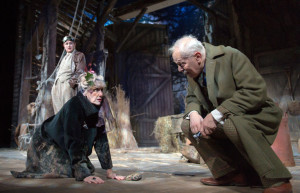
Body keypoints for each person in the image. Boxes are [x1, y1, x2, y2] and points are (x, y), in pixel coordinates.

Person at [169, 35, 292, 193]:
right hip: (228, 118)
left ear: (197, 56)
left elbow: (254, 91)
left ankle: (278, 180)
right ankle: (231, 173)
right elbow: (192, 96)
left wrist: (216, 114)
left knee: (231, 124)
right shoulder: (194, 71)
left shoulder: (230, 56)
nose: (180, 69)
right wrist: (193, 113)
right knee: (188, 125)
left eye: (182, 64)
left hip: (256, 113)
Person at [11, 72, 125, 183]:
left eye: (101, 90)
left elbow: (101, 139)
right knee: (75, 171)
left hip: (63, 143)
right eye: (95, 90)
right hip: (46, 142)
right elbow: (73, 139)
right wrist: (83, 175)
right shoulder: (74, 106)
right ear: (85, 91)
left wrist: (109, 171)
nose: (100, 94)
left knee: (86, 168)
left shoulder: (99, 107)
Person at [51, 36, 86, 114]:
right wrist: (54, 86)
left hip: (68, 85)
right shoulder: (64, 57)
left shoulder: (79, 55)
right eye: (66, 44)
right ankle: (60, 126)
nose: (69, 45)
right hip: (57, 86)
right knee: (58, 112)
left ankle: (69, 125)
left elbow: (80, 71)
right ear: (64, 45)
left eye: (71, 43)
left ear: (74, 45)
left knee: (68, 109)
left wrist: (71, 84)